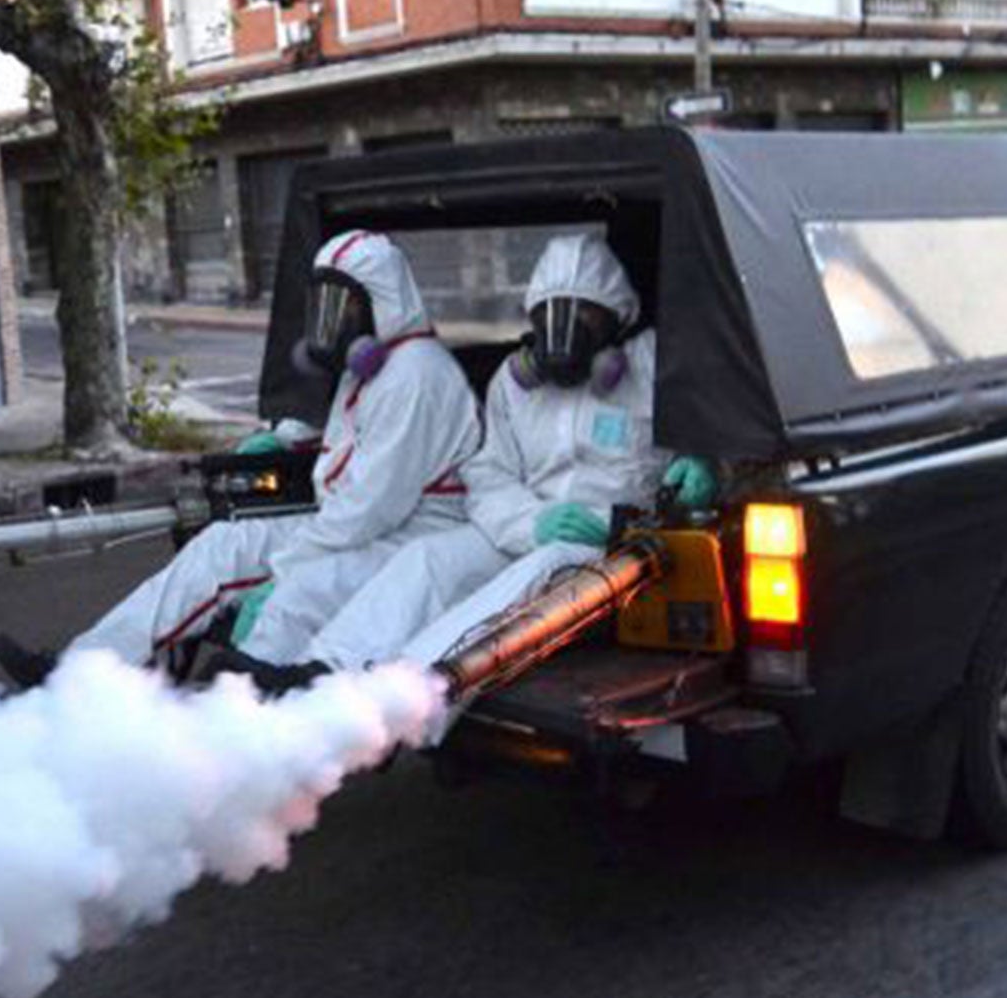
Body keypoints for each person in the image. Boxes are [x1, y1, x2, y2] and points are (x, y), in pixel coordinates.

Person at [0, 229, 482, 686]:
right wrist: (290, 439)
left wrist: (286, 569)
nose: (331, 322)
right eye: (324, 304)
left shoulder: (417, 375)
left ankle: (238, 714)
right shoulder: (373, 369)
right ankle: (83, 673)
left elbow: (370, 508)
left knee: (300, 589)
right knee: (219, 547)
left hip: (408, 535)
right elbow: (353, 440)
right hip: (353, 523)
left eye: (345, 306)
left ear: (383, 304)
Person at [249, 232, 714, 684]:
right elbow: (488, 473)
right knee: (428, 559)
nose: (563, 335)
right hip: (530, 526)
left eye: (584, 318)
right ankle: (326, 667)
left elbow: (721, 419)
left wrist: (707, 463)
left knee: (539, 573)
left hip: (612, 542)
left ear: (619, 320)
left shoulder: (657, 366)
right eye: (548, 316)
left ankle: (405, 692)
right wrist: (531, 521)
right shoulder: (513, 386)